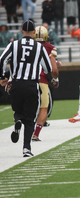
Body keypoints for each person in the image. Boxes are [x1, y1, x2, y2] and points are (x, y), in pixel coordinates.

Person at [0, 20, 53, 157]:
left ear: (22, 31)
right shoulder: (39, 47)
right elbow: (48, 68)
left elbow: (2, 60)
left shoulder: (14, 44)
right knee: (30, 119)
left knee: (18, 110)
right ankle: (26, 149)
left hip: (16, 84)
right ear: (34, 33)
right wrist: (51, 79)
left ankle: (18, 121)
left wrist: (2, 77)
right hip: (32, 85)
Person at [32, 26, 59, 141]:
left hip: (27, 80)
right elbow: (54, 69)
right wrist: (56, 79)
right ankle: (36, 134)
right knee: (44, 107)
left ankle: (20, 121)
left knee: (28, 106)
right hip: (42, 80)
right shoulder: (50, 48)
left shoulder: (27, 46)